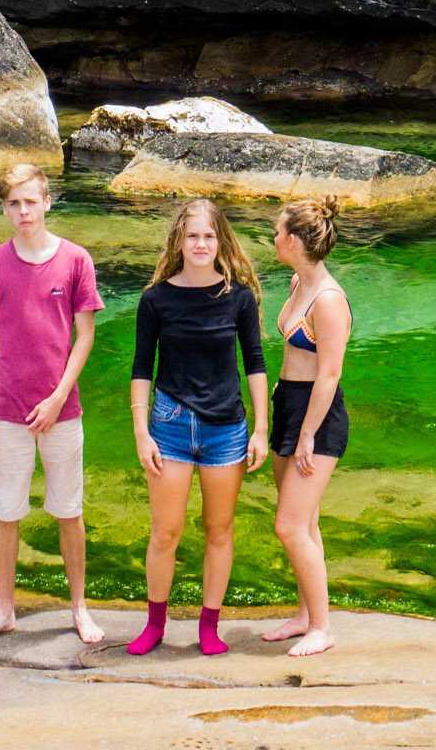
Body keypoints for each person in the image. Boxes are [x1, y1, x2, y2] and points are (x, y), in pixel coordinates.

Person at [0, 161, 106, 648]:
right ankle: (4, 609)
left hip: (61, 411)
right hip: (6, 409)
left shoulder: (75, 261)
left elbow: (84, 337)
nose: (23, 211)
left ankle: (79, 608)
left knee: (68, 511)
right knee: (6, 513)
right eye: (13, 203)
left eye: (31, 201)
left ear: (47, 202)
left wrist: (57, 397)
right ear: (4, 208)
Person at [126, 196, 267, 657]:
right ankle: (155, 624)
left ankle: (209, 626)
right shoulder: (155, 300)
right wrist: (141, 432)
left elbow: (256, 365)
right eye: (193, 236)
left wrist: (261, 429)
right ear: (179, 241)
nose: (201, 243)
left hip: (226, 428)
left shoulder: (239, 298)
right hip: (169, 424)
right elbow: (142, 368)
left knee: (218, 530)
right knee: (165, 532)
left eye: (208, 235)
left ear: (220, 240)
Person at [262, 195, 352, 657]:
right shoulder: (298, 281)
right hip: (289, 407)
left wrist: (308, 434)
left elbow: (330, 374)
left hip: (317, 417)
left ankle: (323, 627)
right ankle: (304, 615)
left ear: (294, 240)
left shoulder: (329, 300)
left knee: (290, 526)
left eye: (278, 231)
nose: (273, 238)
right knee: (305, 522)